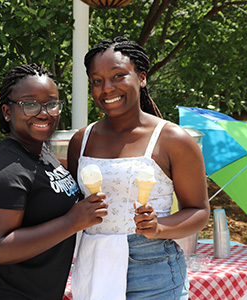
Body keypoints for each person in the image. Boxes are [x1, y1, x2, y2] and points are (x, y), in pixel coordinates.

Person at [68, 37, 210, 300]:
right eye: (97, 81)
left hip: (152, 269)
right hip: (93, 262)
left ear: (142, 77)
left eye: (118, 76)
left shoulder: (172, 139)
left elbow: (199, 211)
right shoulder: (81, 140)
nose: (106, 88)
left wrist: (159, 228)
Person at [0, 63, 108, 300]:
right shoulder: (4, 170)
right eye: (29, 104)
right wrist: (71, 221)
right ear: (7, 112)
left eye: (52, 104)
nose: (43, 112)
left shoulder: (42, 155)